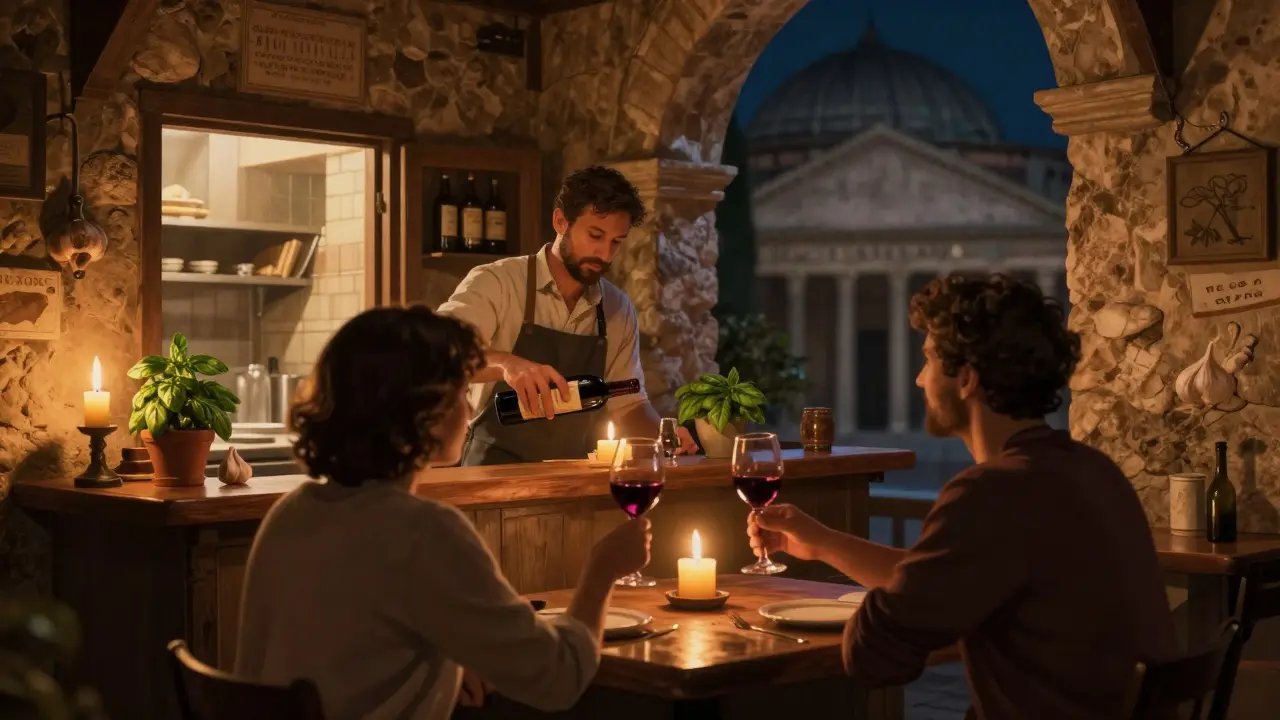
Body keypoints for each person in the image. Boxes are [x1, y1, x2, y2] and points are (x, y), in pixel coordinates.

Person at [747, 274, 1177, 720]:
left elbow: (874, 657)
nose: (918, 380)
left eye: (929, 360)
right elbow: (950, 580)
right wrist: (820, 542)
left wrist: (863, 612)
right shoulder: (1090, 470)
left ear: (967, 378)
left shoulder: (991, 492)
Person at [234, 306, 653, 719]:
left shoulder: (291, 513)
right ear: (424, 414)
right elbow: (558, 678)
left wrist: (445, 663)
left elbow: (353, 652)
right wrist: (602, 569)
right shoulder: (423, 532)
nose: (471, 410)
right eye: (461, 391)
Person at [438, 165, 697, 466]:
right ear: (561, 221)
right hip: (490, 478)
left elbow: (628, 406)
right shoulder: (497, 282)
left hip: (572, 483)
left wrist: (665, 440)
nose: (604, 254)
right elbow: (440, 355)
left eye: (616, 242)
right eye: (595, 235)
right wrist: (505, 363)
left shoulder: (617, 308)